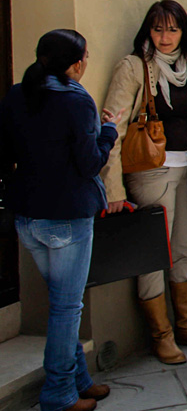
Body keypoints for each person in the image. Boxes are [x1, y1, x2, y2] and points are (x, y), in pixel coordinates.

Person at [1, 30, 121, 411]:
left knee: (61, 303)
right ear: (77, 63)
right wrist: (109, 133)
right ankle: (58, 395)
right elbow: (90, 163)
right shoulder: (75, 99)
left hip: (27, 214)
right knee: (66, 309)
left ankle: (78, 380)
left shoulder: (18, 94)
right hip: (66, 215)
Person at [100, 0, 187, 364]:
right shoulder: (134, 67)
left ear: (183, 32)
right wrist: (113, 188)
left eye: (172, 29)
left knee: (183, 250)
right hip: (151, 173)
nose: (165, 37)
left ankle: (186, 325)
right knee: (152, 254)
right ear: (148, 30)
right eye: (158, 29)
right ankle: (161, 335)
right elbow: (112, 129)